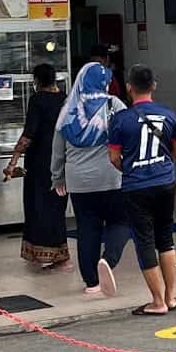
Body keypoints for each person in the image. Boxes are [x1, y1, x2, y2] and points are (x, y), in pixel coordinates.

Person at [51, 49, 129, 298]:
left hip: (79, 183)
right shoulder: (113, 105)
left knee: (87, 229)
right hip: (112, 178)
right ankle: (108, 260)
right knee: (122, 221)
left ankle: (92, 284)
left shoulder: (68, 109)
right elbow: (129, 136)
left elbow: (57, 150)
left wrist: (57, 177)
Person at [108, 64, 176, 316]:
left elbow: (114, 157)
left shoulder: (120, 120)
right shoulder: (168, 114)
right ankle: (171, 297)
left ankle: (157, 301)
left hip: (135, 186)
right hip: (165, 182)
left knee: (144, 241)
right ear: (153, 86)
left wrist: (131, 168)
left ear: (128, 88)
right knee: (166, 238)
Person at [4, 63, 71, 270]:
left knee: (39, 206)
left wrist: (13, 161)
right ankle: (60, 254)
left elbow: (29, 134)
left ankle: (51, 255)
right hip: (63, 160)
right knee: (57, 207)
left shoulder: (38, 100)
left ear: (37, 81)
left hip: (41, 162)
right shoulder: (66, 99)